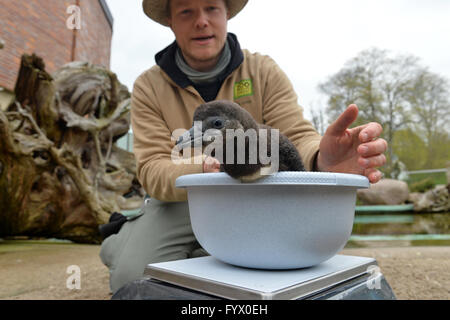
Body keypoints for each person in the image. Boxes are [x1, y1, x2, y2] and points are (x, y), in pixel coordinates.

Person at [100, 0, 388, 294]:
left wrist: (321, 159)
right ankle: (120, 241)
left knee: (269, 274)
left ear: (226, 14)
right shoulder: (149, 86)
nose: (201, 21)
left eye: (211, 8)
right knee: (132, 278)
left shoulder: (262, 70)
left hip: (260, 195)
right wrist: (208, 168)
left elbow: (295, 136)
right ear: (170, 21)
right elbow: (152, 167)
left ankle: (202, 253)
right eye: (186, 11)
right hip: (183, 199)